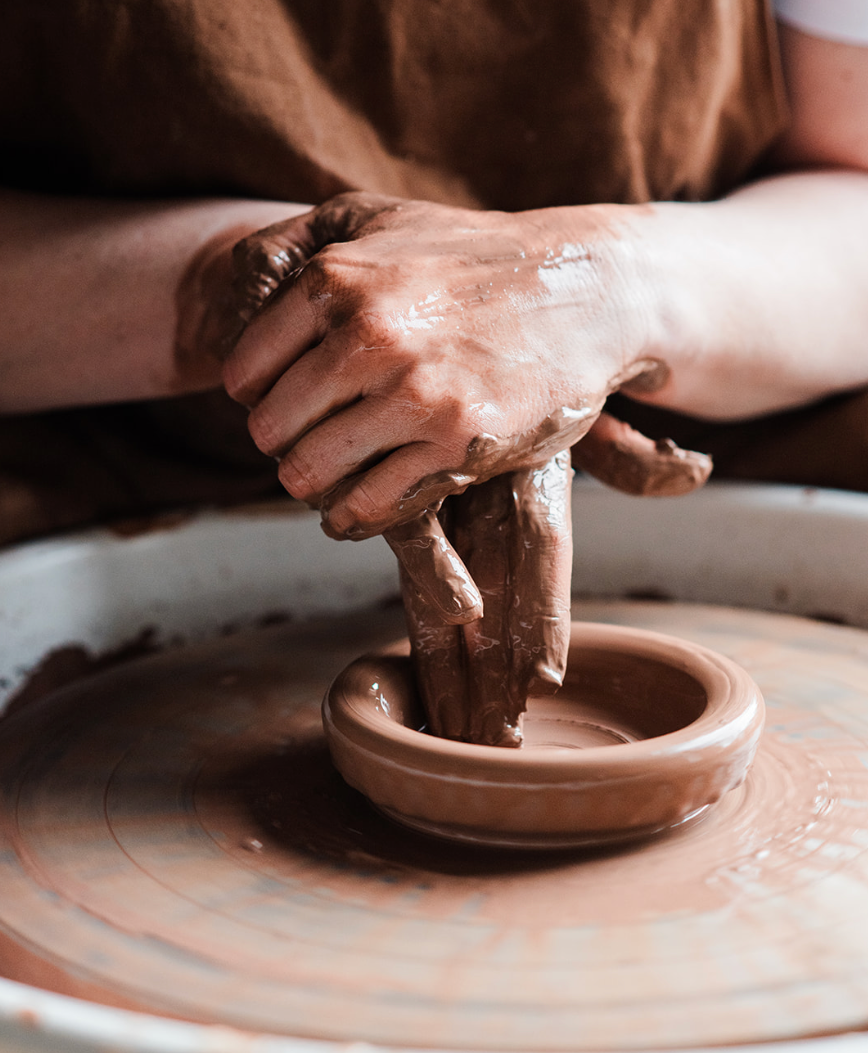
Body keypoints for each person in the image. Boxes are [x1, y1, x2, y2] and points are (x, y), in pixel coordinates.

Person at [1, 0, 867, 741]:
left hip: (697, 378)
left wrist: (598, 288)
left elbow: (849, 179)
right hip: (112, 427)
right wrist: (244, 295)